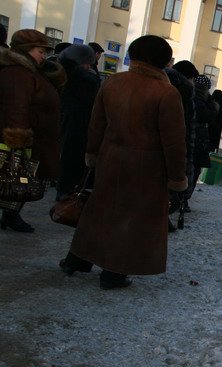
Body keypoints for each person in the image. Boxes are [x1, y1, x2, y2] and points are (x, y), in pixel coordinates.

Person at [60, 35, 187, 289]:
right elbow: (174, 143)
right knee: (131, 219)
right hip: (146, 168)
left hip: (110, 159)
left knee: (99, 211)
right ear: (162, 60)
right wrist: (177, 178)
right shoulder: (166, 93)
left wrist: (92, 154)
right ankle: (114, 273)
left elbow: (96, 124)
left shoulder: (112, 82)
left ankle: (77, 259)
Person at [0, 29, 65, 232]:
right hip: (24, 138)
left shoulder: (29, 71)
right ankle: (10, 214)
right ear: (26, 50)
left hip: (35, 137)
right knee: (14, 177)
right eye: (40, 51)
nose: (43, 56)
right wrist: (18, 137)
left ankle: (11, 213)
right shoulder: (18, 73)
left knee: (19, 179)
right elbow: (16, 107)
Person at [56, 44, 100, 198]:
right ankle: (67, 195)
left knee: (67, 162)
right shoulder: (86, 80)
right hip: (80, 128)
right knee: (74, 164)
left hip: (68, 125)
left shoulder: (63, 76)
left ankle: (64, 192)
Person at [165, 60, 196, 227]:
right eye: (192, 79)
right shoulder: (181, 92)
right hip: (170, 148)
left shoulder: (165, 86)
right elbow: (182, 127)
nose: (193, 83)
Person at [190, 74, 219, 201]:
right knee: (194, 170)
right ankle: (183, 199)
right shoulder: (200, 101)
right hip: (196, 140)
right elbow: (208, 117)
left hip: (190, 139)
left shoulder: (189, 96)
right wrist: (214, 107)